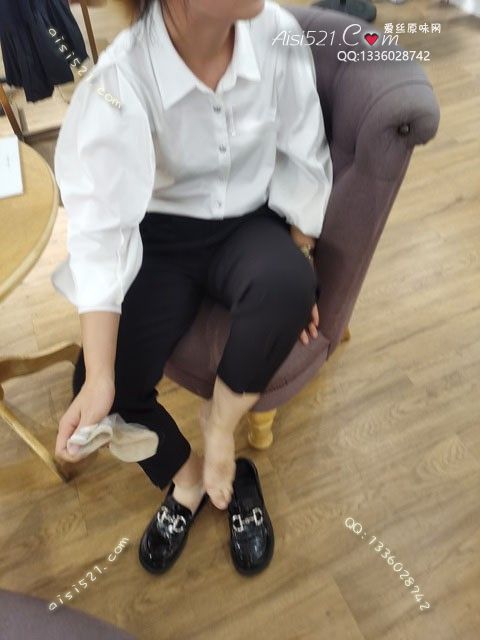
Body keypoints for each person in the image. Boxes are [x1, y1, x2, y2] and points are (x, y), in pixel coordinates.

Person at [51, 0, 333, 566]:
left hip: (249, 223)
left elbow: (304, 152)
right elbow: (102, 229)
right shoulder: (121, 80)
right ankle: (188, 477)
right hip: (161, 237)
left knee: (287, 285)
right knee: (104, 384)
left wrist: (301, 256)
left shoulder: (276, 33)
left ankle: (219, 426)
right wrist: (101, 376)